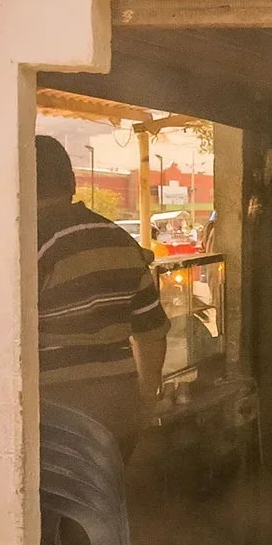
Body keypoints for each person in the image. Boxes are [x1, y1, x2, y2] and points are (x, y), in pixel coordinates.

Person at [35, 137, 167, 458]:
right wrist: (145, 404)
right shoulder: (119, 239)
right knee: (106, 504)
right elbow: (151, 333)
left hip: (56, 416)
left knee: (58, 507)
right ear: (72, 183)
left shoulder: (29, 242)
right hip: (119, 411)